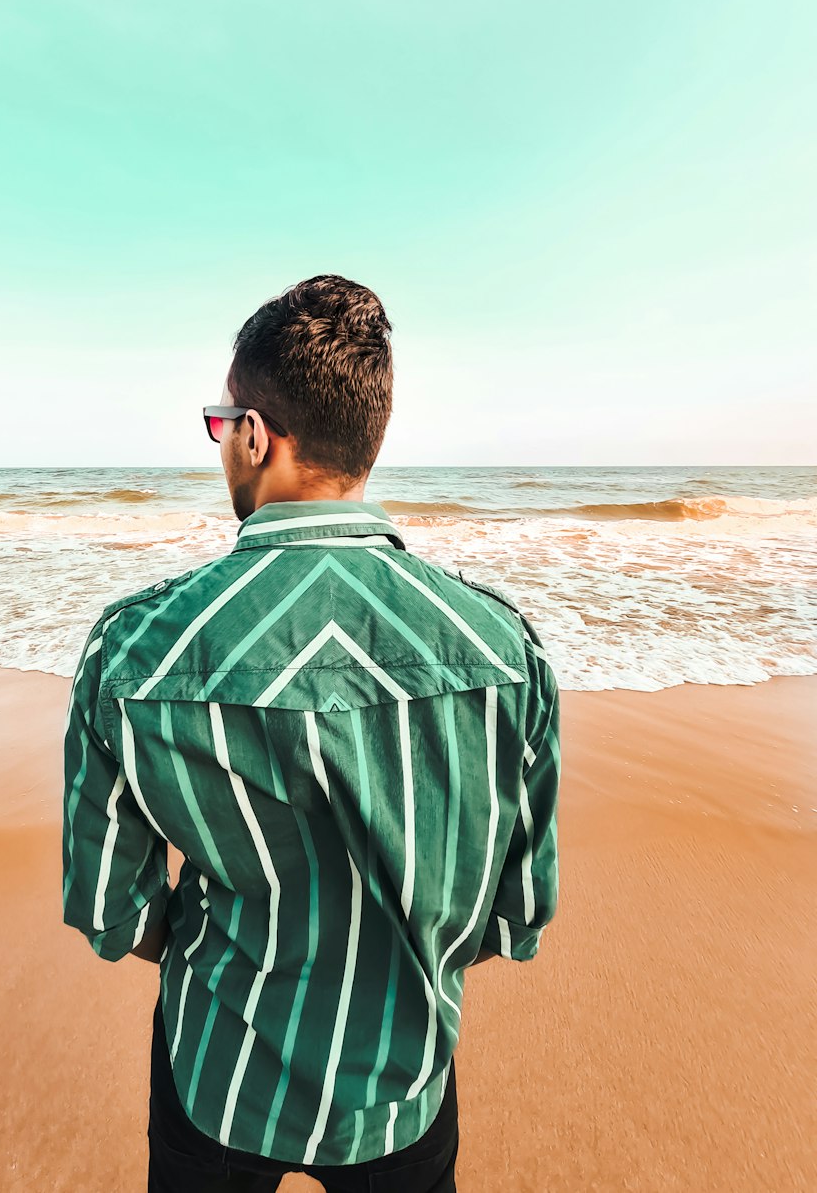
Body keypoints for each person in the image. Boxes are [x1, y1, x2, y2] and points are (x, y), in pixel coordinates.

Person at [62, 274, 561, 1192]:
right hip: (401, 1088)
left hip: (219, 1075)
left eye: (223, 426)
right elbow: (518, 911)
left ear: (253, 434)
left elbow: (113, 912)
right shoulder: (504, 647)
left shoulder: (134, 648)